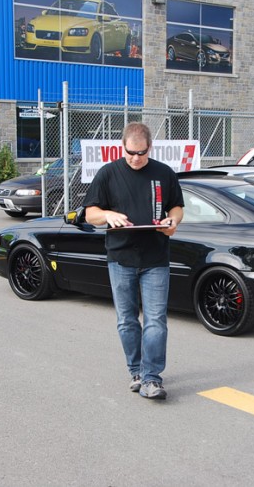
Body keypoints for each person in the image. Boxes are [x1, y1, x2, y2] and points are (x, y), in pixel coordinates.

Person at [83, 122, 184, 400]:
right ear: (122, 147)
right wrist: (108, 215)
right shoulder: (108, 173)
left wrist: (172, 221)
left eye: (141, 153)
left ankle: (152, 378)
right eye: (130, 153)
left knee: (156, 321)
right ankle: (136, 371)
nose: (136, 158)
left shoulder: (164, 173)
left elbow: (177, 206)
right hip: (120, 258)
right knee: (127, 320)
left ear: (150, 147)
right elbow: (90, 213)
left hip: (155, 258)